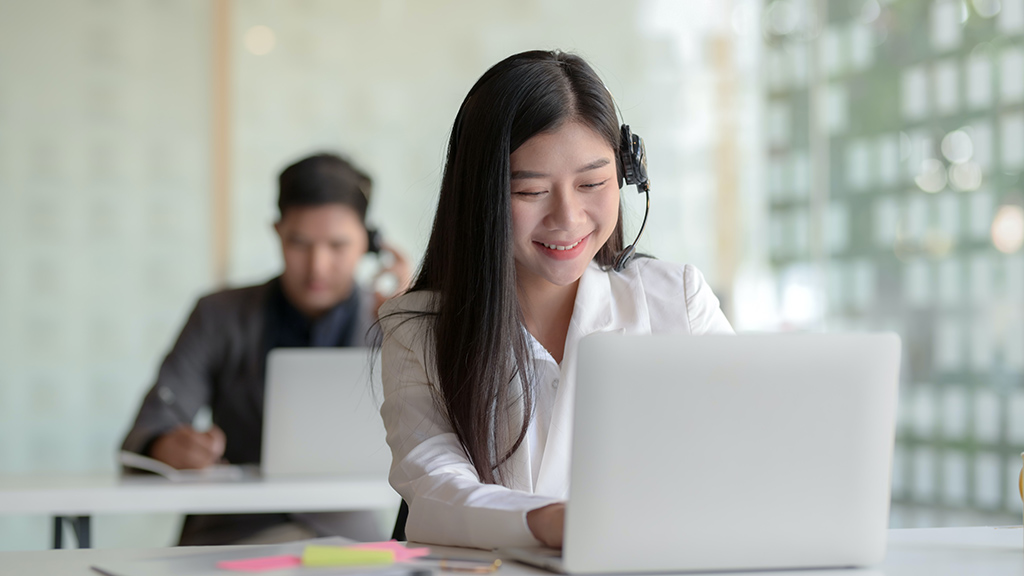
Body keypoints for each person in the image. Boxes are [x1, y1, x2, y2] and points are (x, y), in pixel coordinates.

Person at [377, 50, 734, 551]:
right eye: (531, 192)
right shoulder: (419, 331)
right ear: (482, 195)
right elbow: (435, 490)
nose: (568, 218)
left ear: (627, 173)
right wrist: (548, 521)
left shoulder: (677, 301)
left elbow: (744, 455)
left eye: (592, 183)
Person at [122, 153, 411, 545]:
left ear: (370, 242)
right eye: (300, 243)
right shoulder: (219, 314)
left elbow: (441, 440)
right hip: (231, 533)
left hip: (346, 537)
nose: (317, 266)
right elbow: (147, 430)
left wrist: (412, 330)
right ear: (276, 232)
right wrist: (168, 447)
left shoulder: (392, 320)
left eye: (338, 245)